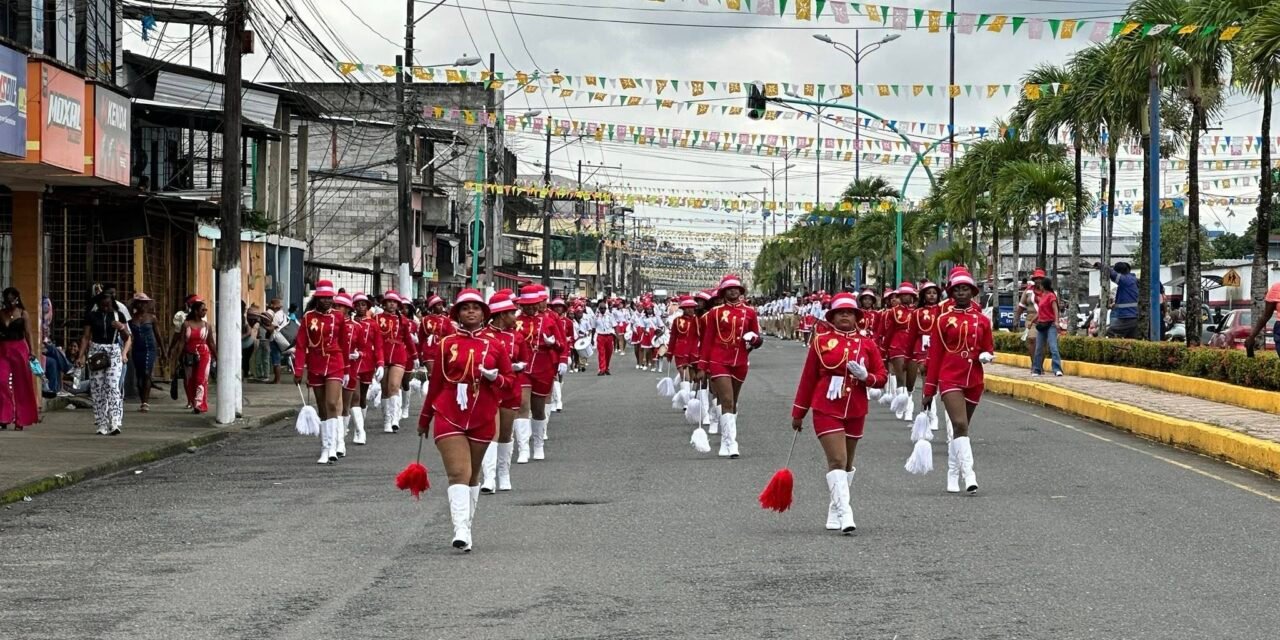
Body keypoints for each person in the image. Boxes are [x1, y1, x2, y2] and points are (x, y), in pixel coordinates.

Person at [418, 289, 514, 552]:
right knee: (458, 472)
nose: (470, 311)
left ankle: (467, 526)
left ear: (484, 313)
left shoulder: (497, 345)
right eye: (464, 307)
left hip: (483, 413)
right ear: (457, 313)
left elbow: (511, 387)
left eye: (475, 307)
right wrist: (425, 417)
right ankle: (460, 528)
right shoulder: (445, 344)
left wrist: (497, 379)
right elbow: (436, 383)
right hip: (449, 412)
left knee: (472, 474)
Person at [790, 293, 888, 533]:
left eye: (850, 312)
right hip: (826, 406)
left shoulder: (867, 343)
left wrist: (867, 377)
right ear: (832, 316)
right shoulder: (820, 341)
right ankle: (846, 513)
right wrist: (798, 412)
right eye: (840, 312)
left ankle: (835, 510)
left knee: (847, 464)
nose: (845, 315)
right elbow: (808, 378)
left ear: (857, 316)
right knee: (837, 459)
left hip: (855, 406)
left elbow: (882, 377)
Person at [922, 268, 994, 495]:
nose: (962, 293)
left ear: (972, 292)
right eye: (958, 289)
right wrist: (929, 389)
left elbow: (988, 347)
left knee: (960, 427)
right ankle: (969, 474)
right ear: (952, 292)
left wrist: (986, 355)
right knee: (960, 424)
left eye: (966, 289)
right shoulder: (943, 319)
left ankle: (952, 472)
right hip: (949, 376)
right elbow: (935, 356)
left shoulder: (982, 319)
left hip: (974, 377)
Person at [699, 275, 763, 459]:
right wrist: (702, 366)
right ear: (723, 292)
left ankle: (728, 436)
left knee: (733, 402)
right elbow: (707, 341)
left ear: (740, 291)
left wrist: (755, 340)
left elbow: (757, 338)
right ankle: (730, 443)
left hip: (740, 361)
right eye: (729, 289)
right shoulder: (715, 313)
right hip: (718, 360)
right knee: (726, 400)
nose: (733, 291)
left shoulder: (750, 312)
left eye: (736, 288)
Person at [294, 281, 350, 464]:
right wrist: (298, 369)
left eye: (329, 298)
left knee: (332, 403)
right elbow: (301, 345)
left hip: (335, 362)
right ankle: (325, 447)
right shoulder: (308, 317)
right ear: (317, 298)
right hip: (315, 364)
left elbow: (343, 344)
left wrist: (347, 368)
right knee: (322, 407)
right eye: (323, 298)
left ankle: (334, 445)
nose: (327, 301)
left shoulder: (339, 317)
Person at [479, 290, 527, 493]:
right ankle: (488, 477)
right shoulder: (482, 335)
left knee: (506, 434)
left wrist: (517, 366)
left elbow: (524, 359)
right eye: (511, 313)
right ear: (501, 315)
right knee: (492, 433)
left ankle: (503, 473)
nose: (515, 316)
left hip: (510, 388)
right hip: (488, 389)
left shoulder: (517, 336)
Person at [512, 285, 566, 462]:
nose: (529, 307)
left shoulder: (549, 320)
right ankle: (523, 448)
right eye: (525, 304)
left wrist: (552, 344)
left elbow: (561, 344)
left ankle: (538, 444)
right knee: (522, 405)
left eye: (532, 304)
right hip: (522, 369)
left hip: (543, 367)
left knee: (538, 409)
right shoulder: (515, 320)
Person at [79, 292, 132, 435]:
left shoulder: (118, 316)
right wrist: (81, 356)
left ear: (112, 304)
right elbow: (86, 337)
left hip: (113, 352)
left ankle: (114, 421)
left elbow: (127, 338)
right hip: (96, 352)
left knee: (112, 386)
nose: (105, 307)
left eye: (108, 305)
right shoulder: (92, 316)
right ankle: (101, 422)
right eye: (103, 305)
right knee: (97, 388)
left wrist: (121, 328)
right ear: (98, 304)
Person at [377, 291, 416, 433]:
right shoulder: (377, 318)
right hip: (382, 354)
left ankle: (394, 418)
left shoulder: (403, 320)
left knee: (394, 386)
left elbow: (408, 340)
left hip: (399, 354)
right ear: (384, 303)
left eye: (394, 302)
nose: (392, 304)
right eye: (389, 301)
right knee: (385, 390)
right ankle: (386, 420)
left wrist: (415, 356)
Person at [0, 287, 39, 430]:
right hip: (3, 349)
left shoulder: (23, 314)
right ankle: (4, 416)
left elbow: (28, 334)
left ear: (17, 299)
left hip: (19, 349)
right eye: (6, 301)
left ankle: (21, 419)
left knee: (22, 384)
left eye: (12, 300)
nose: (9, 304)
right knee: (1, 381)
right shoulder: (1, 313)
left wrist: (32, 351)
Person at [168, 297, 215, 414]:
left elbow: (211, 343)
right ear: (195, 311)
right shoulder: (186, 324)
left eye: (206, 309)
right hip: (189, 355)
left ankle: (199, 404)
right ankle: (193, 402)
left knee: (200, 379)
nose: (205, 312)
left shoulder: (207, 326)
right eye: (203, 310)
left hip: (204, 354)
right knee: (190, 380)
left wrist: (217, 356)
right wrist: (178, 356)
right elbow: (182, 341)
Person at [349, 293, 384, 445]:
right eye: (357, 304)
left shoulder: (374, 324)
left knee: (362, 397)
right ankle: (360, 431)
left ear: (368, 307)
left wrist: (380, 363)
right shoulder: (349, 322)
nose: (360, 307)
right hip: (352, 363)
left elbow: (378, 346)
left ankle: (360, 424)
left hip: (368, 363)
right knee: (355, 397)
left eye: (363, 305)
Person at [128, 294, 159, 413]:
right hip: (137, 349)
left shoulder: (152, 318)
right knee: (140, 375)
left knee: (146, 373)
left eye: (145, 303)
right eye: (140, 303)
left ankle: (145, 402)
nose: (143, 305)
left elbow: (158, 335)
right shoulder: (131, 319)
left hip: (150, 348)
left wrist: (164, 352)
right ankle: (142, 400)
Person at [1031, 278, 1064, 376]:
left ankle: (1057, 369)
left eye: (1041, 284)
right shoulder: (1042, 296)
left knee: (1053, 347)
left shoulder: (1051, 296)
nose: (1039, 286)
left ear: (1044, 286)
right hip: (1041, 324)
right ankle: (1037, 369)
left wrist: (1057, 321)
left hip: (1051, 325)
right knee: (1039, 348)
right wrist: (1033, 320)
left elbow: (1055, 309)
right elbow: (1040, 311)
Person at [1098, 261, 1140, 338]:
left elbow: (1112, 274)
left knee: (1111, 333)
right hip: (1134, 315)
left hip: (1127, 316)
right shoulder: (1132, 280)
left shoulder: (1125, 280)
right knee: (1130, 340)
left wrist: (1102, 266)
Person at [266, 298, 288, 384]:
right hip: (281, 339)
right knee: (277, 359)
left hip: (275, 339)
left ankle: (277, 380)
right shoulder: (283, 314)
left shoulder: (276, 316)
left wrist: (264, 326)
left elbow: (272, 328)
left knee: (276, 360)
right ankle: (276, 379)